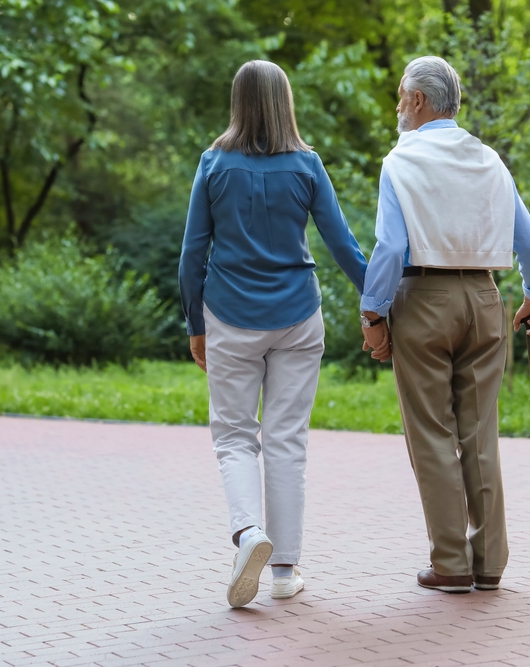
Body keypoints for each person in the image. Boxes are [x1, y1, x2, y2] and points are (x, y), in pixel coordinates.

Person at [178, 60, 368, 608]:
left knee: (235, 436)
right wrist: (380, 303)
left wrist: (196, 324)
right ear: (285, 101)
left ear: (237, 102)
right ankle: (284, 570)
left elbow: (193, 253)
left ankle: (248, 535)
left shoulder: (213, 164)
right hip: (298, 317)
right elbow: (343, 245)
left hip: (229, 316)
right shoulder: (307, 165)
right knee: (287, 441)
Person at [360, 56, 530, 593]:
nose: (398, 104)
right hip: (486, 297)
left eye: (402, 95)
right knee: (479, 433)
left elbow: (391, 247)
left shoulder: (401, 160)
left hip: (423, 296)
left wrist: (372, 313)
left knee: (432, 434)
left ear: (418, 101)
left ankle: (450, 564)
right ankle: (489, 563)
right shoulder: (489, 160)